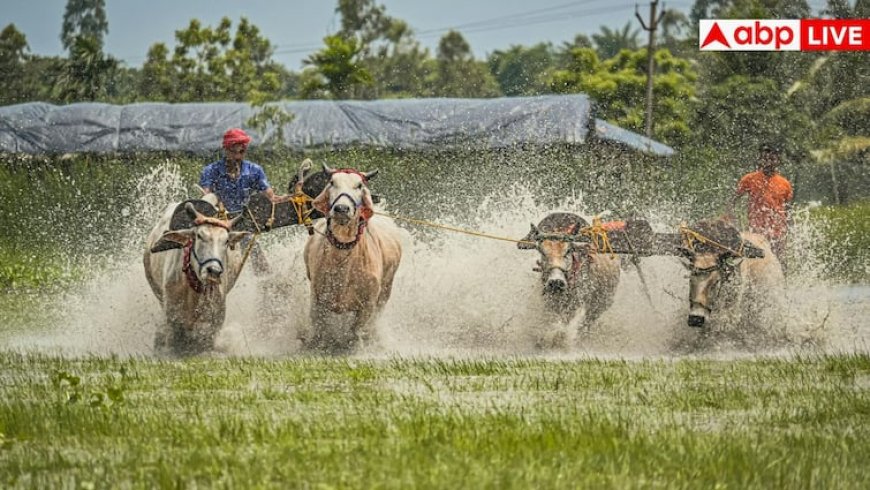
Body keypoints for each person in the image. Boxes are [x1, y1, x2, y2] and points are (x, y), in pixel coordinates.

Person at [200, 128, 289, 275]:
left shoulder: (254, 170)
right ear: (225, 150)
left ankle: (265, 280)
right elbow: (206, 197)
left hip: (244, 221)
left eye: (240, 152)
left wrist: (286, 198)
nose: (236, 156)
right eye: (233, 152)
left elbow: (271, 197)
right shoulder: (210, 171)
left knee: (254, 252)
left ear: (245, 151)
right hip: (219, 221)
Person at [727, 143, 794, 269]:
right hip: (756, 234)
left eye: (772, 159)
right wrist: (732, 220)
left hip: (777, 234)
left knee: (781, 264)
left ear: (778, 161)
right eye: (765, 158)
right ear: (760, 159)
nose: (768, 162)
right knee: (754, 266)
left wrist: (790, 230)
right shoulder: (749, 179)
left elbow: (788, 210)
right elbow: (732, 201)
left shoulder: (785, 184)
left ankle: (783, 288)